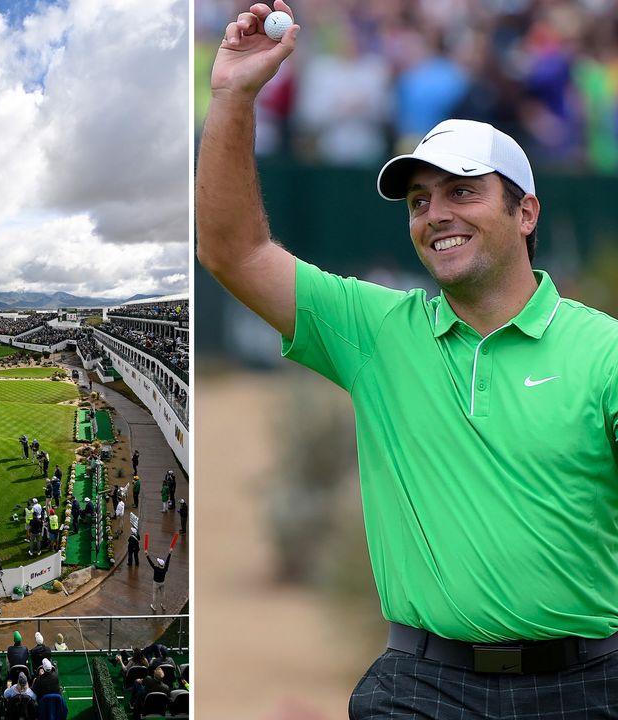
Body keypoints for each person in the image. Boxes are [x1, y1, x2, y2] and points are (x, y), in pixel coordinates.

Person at [199, 3, 618, 715]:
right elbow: (234, 251)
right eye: (420, 201)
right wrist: (235, 96)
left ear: (526, 213)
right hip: (423, 686)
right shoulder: (377, 329)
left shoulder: (603, 350)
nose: (435, 214)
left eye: (462, 191)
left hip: (588, 685)